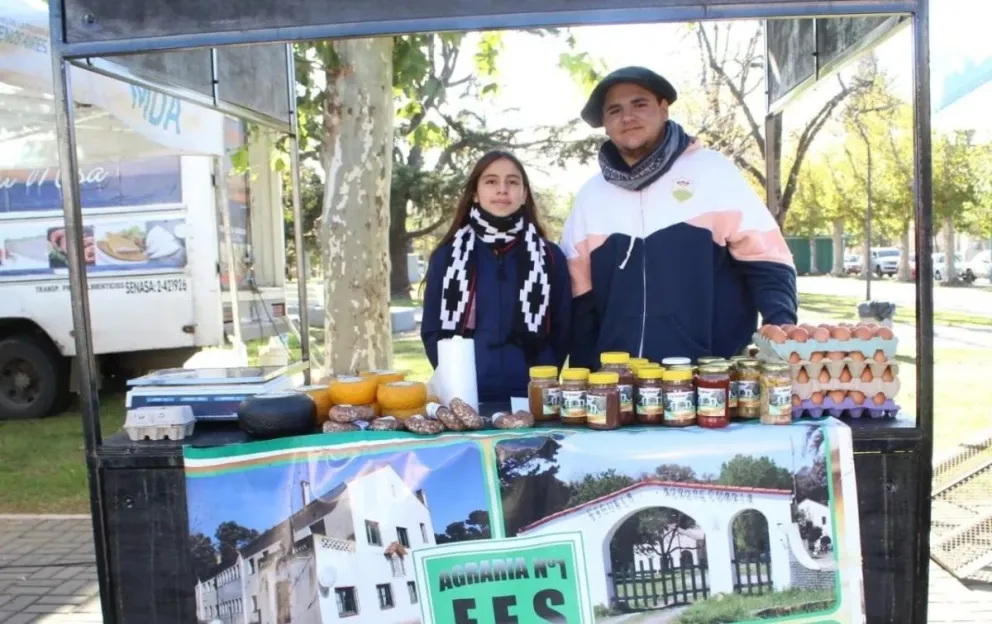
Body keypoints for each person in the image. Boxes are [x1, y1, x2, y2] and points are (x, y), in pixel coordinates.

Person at [561, 66, 797, 369]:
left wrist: (782, 322)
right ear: (605, 125)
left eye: (639, 104)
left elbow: (767, 260)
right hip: (619, 385)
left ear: (663, 109)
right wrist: (586, 374)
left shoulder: (712, 171)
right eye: (615, 110)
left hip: (710, 378)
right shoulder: (590, 196)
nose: (627, 117)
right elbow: (580, 300)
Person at [421, 150, 571, 403]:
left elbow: (562, 329)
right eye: (491, 181)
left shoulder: (549, 257)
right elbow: (433, 330)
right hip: (464, 395)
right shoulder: (448, 257)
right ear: (476, 194)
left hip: (532, 396)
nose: (502, 190)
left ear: (523, 195)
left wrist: (542, 376)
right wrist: (456, 378)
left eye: (512, 182)